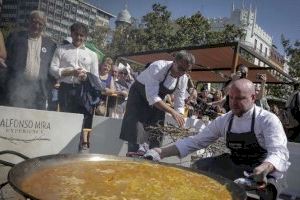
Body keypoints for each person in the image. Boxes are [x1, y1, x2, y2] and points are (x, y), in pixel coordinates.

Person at [145, 79, 290, 200]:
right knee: (200, 167)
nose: (233, 103)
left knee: (268, 193)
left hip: (263, 169)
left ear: (253, 98)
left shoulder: (267, 119)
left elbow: (279, 152)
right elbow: (196, 141)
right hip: (235, 164)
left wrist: (265, 167)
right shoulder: (225, 120)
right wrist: (160, 152)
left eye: (240, 98)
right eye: (231, 98)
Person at [120, 50, 195, 152]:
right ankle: (132, 156)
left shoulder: (183, 78)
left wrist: (180, 116)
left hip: (158, 102)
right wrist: (172, 112)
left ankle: (153, 158)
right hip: (139, 98)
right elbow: (152, 97)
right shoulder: (158, 67)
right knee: (136, 132)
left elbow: (179, 100)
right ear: (174, 61)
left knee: (157, 132)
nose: (182, 73)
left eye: (186, 70)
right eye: (180, 68)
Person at [50, 22, 99, 132]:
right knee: (65, 119)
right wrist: (69, 72)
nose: (78, 37)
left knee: (81, 121)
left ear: (85, 37)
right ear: (71, 34)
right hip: (65, 89)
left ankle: (78, 145)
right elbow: (52, 69)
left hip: (83, 91)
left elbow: (95, 77)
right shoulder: (61, 49)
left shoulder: (92, 55)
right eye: (76, 34)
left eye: (81, 35)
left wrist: (85, 76)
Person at [4, 10, 56, 109]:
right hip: (16, 87)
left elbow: (51, 67)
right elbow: (6, 60)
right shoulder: (15, 37)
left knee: (35, 119)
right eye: (34, 22)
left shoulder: (50, 45)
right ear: (28, 21)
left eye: (40, 24)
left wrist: (50, 86)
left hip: (39, 91)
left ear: (44, 26)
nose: (36, 26)